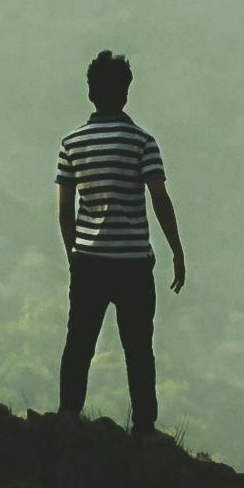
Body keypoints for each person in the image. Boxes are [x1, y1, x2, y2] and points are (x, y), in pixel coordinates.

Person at [55, 48, 186, 432]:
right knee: (139, 350)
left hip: (89, 261)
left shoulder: (72, 143)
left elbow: (65, 209)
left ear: (90, 93)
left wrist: (73, 255)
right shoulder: (142, 142)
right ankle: (144, 429)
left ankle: (67, 418)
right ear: (126, 93)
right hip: (133, 264)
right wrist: (177, 251)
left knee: (79, 344)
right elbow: (159, 197)